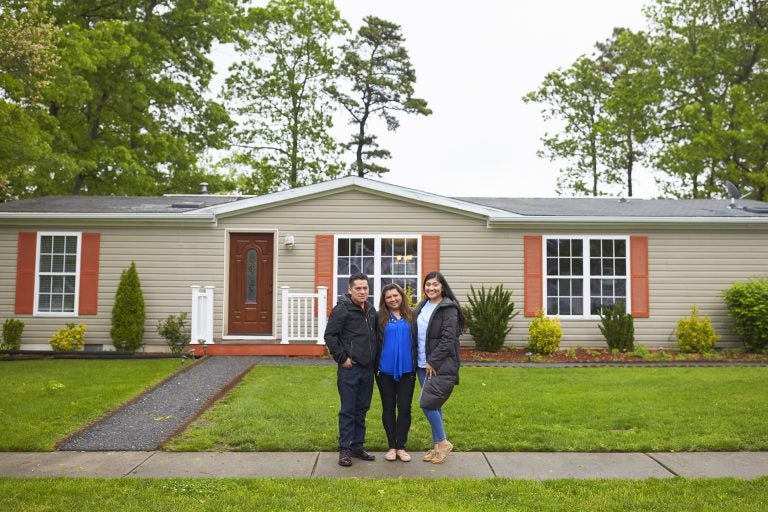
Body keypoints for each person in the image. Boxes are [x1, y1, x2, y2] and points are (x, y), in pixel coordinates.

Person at [324, 272, 380, 467]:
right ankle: (345, 450)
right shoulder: (342, 309)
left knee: (362, 409)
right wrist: (342, 359)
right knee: (348, 409)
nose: (363, 291)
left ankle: (357, 446)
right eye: (358, 288)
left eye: (365, 288)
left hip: (367, 370)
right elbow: (330, 336)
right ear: (349, 290)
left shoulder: (371, 310)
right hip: (350, 369)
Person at [414, 271, 465, 464]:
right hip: (421, 363)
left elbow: (447, 339)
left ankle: (443, 443)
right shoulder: (423, 306)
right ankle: (437, 448)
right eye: (428, 285)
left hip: (437, 365)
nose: (431, 288)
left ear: (442, 286)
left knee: (426, 403)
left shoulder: (448, 308)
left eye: (435, 284)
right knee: (434, 403)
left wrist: (432, 361)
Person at [375, 283, 416, 462]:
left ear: (401, 296)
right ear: (384, 301)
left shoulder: (412, 317)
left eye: (395, 295)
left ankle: (401, 446)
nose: (393, 299)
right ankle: (392, 446)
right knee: (388, 408)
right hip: (384, 371)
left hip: (408, 370)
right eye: (388, 297)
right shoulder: (379, 318)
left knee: (405, 408)